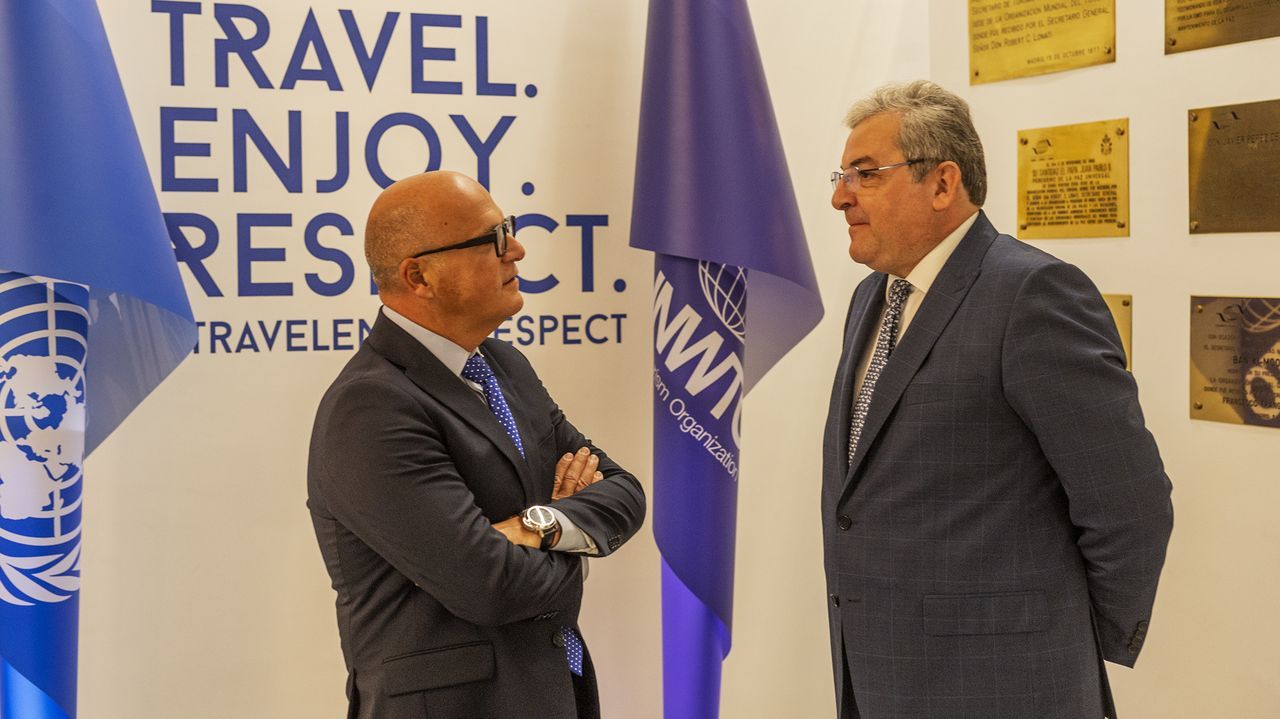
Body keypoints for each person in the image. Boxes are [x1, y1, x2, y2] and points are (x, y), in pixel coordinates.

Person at [822, 81, 1173, 719]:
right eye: (843, 175)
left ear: (942, 182)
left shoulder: (1032, 295)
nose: (840, 196)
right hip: (878, 675)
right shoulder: (870, 299)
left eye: (865, 174)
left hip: (1008, 685)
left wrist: (1062, 637)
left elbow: (1129, 502)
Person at [307, 171, 645, 718]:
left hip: (553, 693)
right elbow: (490, 586)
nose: (516, 249)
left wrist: (542, 526)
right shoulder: (370, 407)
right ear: (419, 276)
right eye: (491, 239)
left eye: (507, 229)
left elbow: (624, 492)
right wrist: (579, 541)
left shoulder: (504, 366)